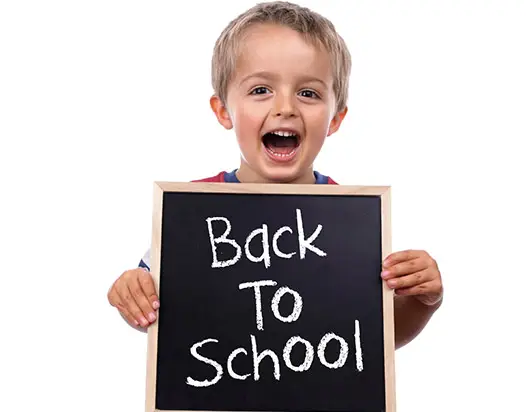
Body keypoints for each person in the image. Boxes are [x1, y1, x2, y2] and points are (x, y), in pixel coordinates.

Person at [107, 1, 443, 349]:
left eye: (308, 93)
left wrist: (422, 302)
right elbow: (157, 313)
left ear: (335, 119)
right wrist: (131, 291)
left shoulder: (350, 222)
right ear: (223, 111)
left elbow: (370, 342)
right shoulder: (191, 211)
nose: (285, 107)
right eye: (260, 90)